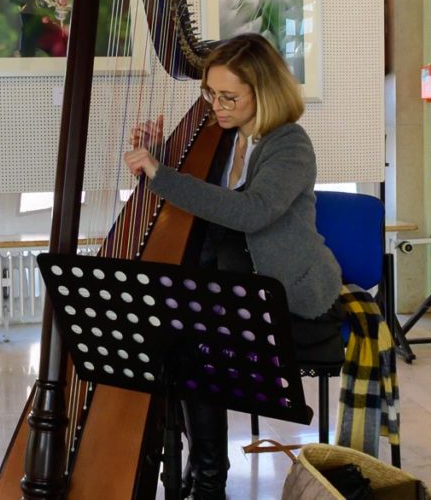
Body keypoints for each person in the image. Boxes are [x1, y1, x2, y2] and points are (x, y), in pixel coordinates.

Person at [123, 33, 343, 500]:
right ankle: (200, 463)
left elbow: (250, 211)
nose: (216, 106)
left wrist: (163, 177)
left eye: (229, 97)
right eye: (210, 94)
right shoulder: (224, 135)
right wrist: (159, 158)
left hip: (293, 294)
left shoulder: (289, 145)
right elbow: (206, 195)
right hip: (238, 283)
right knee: (163, 329)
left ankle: (208, 479)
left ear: (263, 93)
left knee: (193, 343)